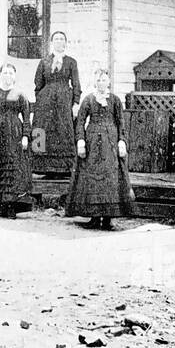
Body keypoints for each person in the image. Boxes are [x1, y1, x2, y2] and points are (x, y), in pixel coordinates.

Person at [66, 67, 135, 229]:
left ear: (109, 81)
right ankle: (94, 217)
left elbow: (121, 123)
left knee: (110, 178)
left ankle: (108, 219)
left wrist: (122, 141)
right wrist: (81, 141)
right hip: (92, 143)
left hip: (110, 143)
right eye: (98, 80)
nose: (101, 83)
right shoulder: (89, 100)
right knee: (92, 178)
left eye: (104, 80)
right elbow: (81, 122)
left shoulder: (115, 100)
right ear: (94, 82)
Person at [0, 62, 33, 218]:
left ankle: (10, 207)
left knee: (12, 168)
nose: (7, 75)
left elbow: (27, 118)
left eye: (10, 73)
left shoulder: (20, 95)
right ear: (0, 75)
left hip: (14, 134)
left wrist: (25, 136)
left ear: (14, 76)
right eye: (5, 72)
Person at [32, 31, 81, 173]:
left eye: (62, 39)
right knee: (42, 129)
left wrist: (76, 103)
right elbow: (38, 84)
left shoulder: (71, 62)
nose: (59, 41)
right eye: (56, 39)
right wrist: (41, 100)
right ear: (52, 43)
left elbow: (76, 84)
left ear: (65, 43)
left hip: (64, 101)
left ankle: (64, 168)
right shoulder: (44, 61)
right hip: (45, 103)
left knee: (63, 129)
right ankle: (41, 167)